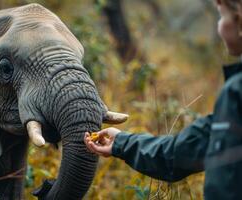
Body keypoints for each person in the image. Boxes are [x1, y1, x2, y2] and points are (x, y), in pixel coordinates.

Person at [84, 0, 242, 199]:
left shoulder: (236, 91)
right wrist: (121, 143)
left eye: (222, 16)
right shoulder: (233, 94)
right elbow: (180, 152)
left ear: (239, 22)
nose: (219, 27)